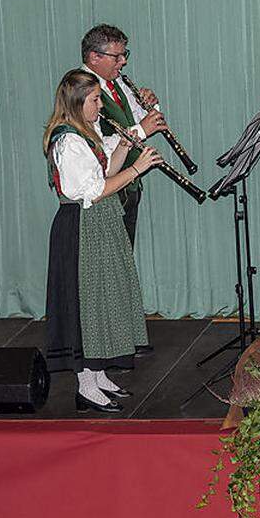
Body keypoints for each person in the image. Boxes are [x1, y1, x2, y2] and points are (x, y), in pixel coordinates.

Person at [43, 70, 161, 412]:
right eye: (95, 99)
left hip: (100, 222)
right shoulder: (67, 141)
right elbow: (92, 191)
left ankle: (97, 376)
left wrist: (125, 144)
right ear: (79, 103)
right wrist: (138, 168)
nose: (100, 104)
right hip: (82, 226)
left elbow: (105, 170)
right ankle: (85, 386)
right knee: (88, 305)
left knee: (106, 299)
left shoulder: (87, 131)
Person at [79, 24, 169, 246]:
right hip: (105, 189)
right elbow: (97, 142)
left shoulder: (117, 82)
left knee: (124, 257)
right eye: (117, 56)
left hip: (128, 184)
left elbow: (137, 120)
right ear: (94, 57)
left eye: (124, 54)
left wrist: (150, 105)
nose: (123, 61)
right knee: (109, 260)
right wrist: (141, 130)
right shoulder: (80, 89)